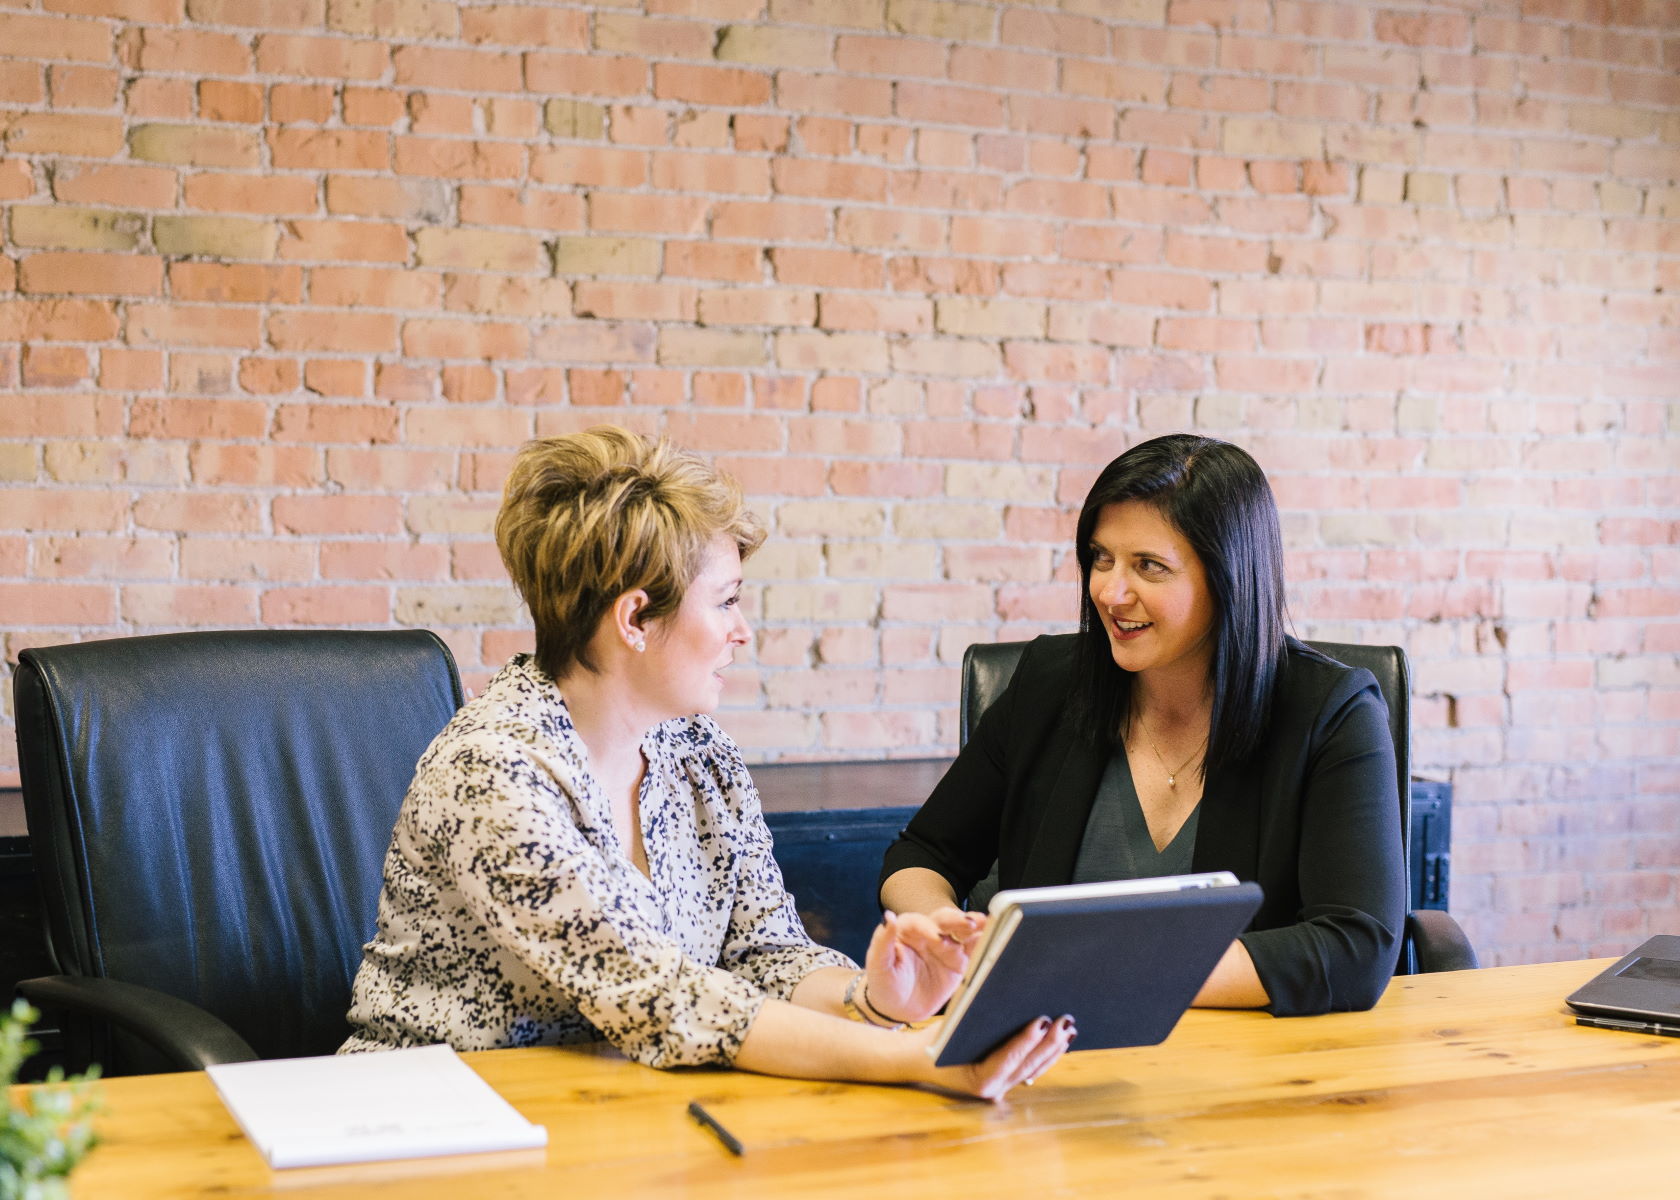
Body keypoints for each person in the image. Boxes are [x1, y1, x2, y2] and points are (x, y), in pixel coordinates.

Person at [342, 426, 1071, 1099]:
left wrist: (875, 1000)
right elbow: (662, 997)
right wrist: (917, 1058)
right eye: (725, 602)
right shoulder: (493, 772)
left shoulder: (698, 752)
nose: (742, 632)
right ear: (635, 619)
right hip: (431, 1117)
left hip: (619, 1109)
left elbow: (765, 952)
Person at [880, 433, 1406, 1016]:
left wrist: (1098, 972)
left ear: (1229, 577)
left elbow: (1355, 946)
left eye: (1149, 566)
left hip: (1247, 1064)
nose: (1110, 591)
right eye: (1102, 558)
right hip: (1044, 1054)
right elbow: (922, 854)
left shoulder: (1332, 712)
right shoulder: (1050, 683)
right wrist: (941, 930)